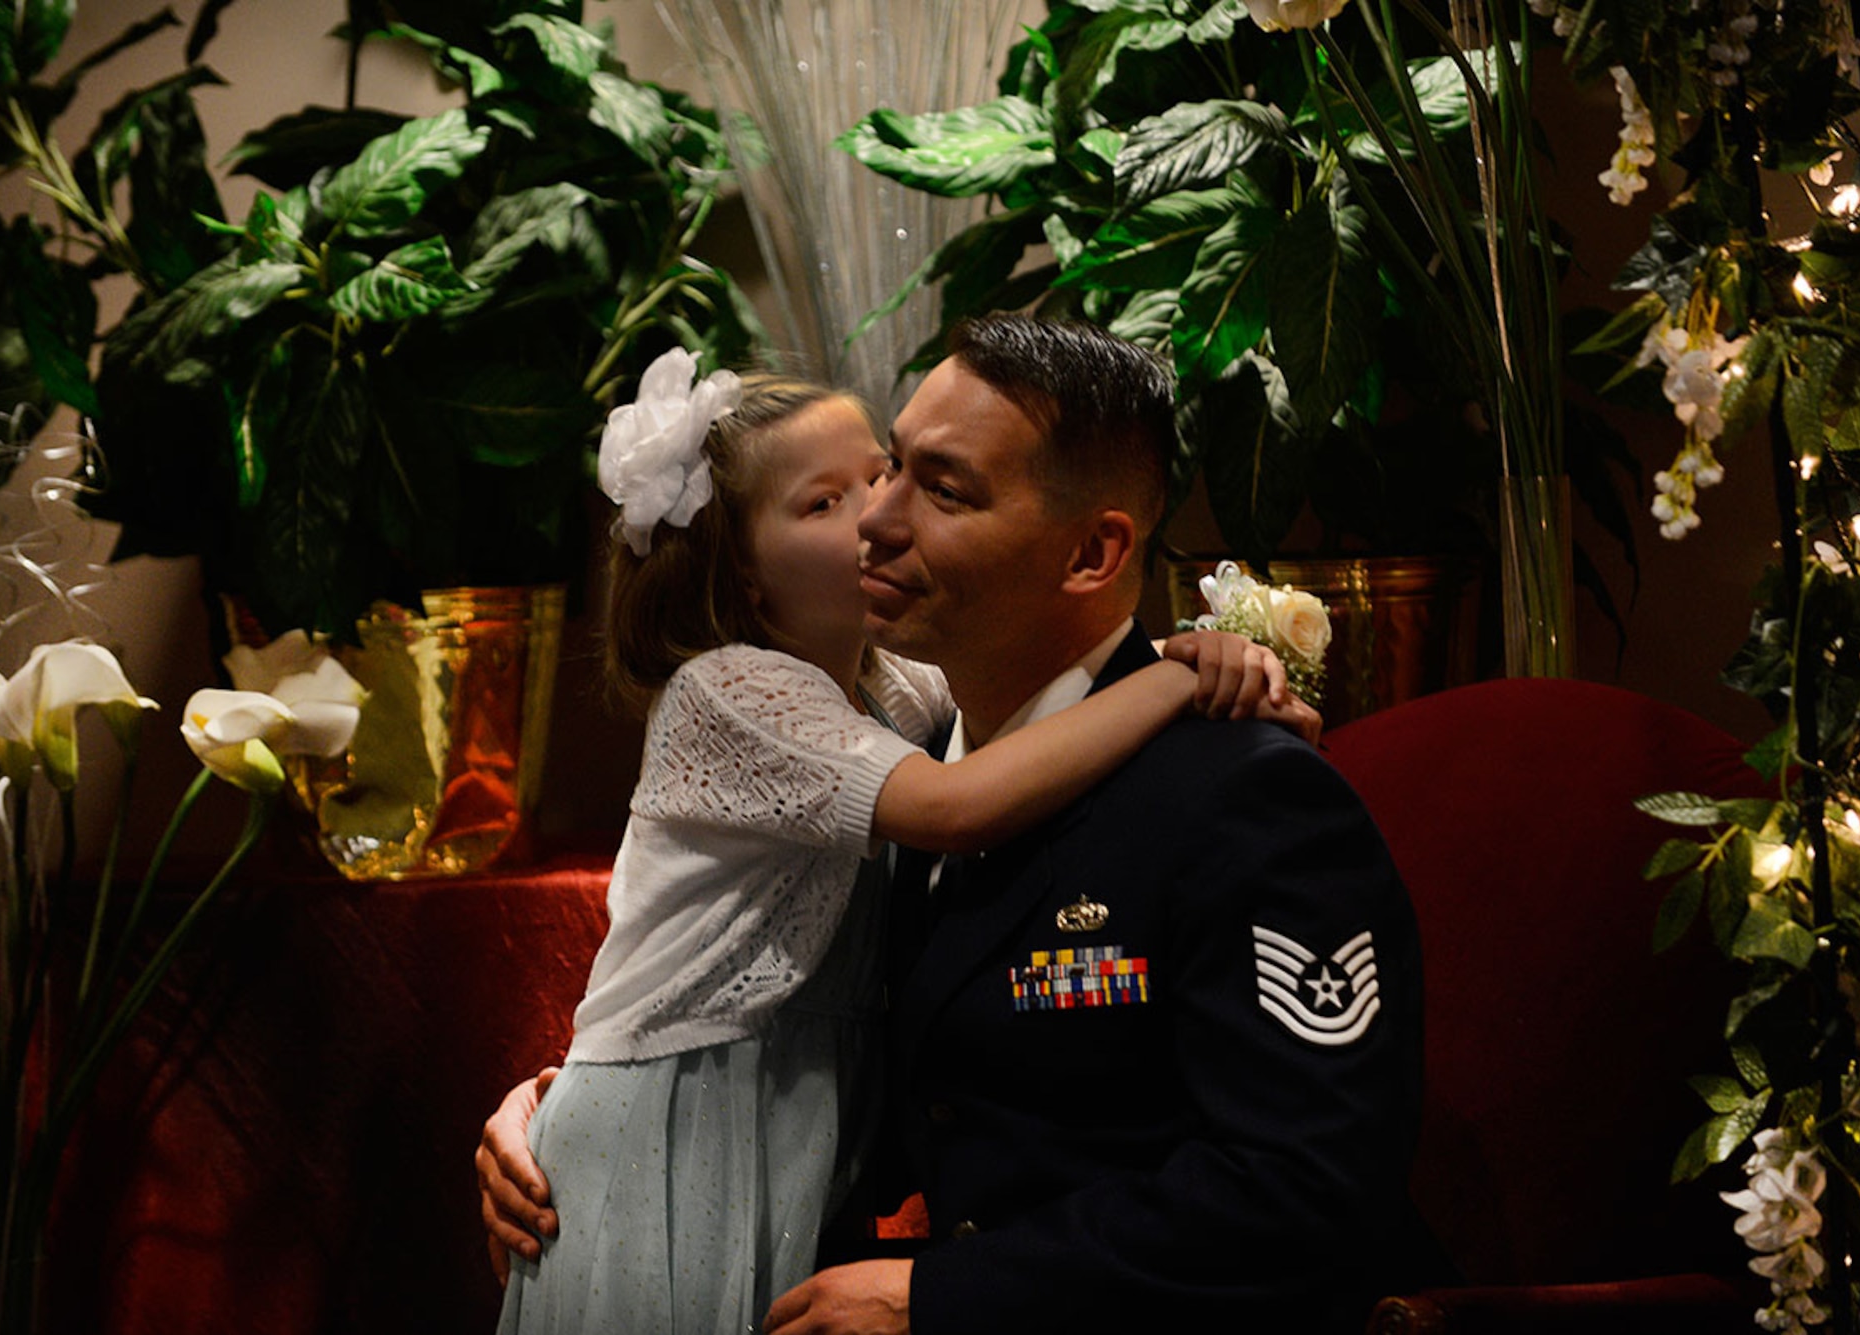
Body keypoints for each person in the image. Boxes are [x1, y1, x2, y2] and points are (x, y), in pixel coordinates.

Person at [489, 349, 1314, 1335]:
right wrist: (569, 1103)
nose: (879, 521)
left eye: (929, 487)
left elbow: (1287, 1190)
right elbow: (955, 812)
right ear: (743, 577)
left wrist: (1196, 655)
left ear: (1091, 552)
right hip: (710, 1148)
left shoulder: (1206, 789)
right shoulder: (793, 707)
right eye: (835, 499)